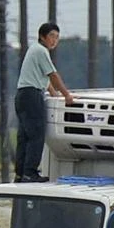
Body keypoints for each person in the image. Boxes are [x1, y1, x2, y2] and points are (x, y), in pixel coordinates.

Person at [14, 23, 74, 183]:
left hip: (23, 95)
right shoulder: (41, 51)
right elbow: (53, 75)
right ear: (42, 36)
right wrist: (67, 95)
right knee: (36, 134)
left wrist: (54, 95)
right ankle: (30, 173)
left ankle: (20, 173)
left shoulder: (34, 50)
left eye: (57, 37)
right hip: (32, 95)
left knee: (24, 136)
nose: (55, 40)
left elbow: (45, 79)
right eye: (52, 36)